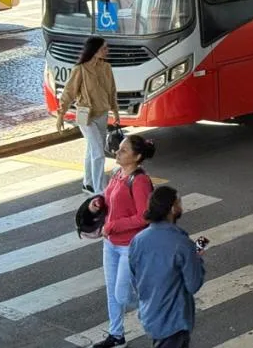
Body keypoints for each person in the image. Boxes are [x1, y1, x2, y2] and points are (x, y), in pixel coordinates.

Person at [88, 134, 156, 348]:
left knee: (123, 294)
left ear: (137, 157)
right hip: (110, 243)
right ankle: (116, 335)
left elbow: (145, 216)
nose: (117, 152)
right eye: (119, 148)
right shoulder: (118, 173)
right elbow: (108, 199)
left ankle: (154, 307)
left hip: (130, 246)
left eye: (124, 150)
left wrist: (113, 225)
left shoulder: (140, 181)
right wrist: (98, 202)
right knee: (112, 292)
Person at [129, 186, 206, 348]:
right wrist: (196, 259)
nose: (181, 207)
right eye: (179, 203)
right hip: (174, 320)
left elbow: (134, 279)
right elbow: (193, 284)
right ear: (172, 209)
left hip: (150, 314)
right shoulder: (182, 244)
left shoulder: (138, 240)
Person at [57, 37, 121, 194]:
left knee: (91, 150)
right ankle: (100, 190)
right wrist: (61, 115)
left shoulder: (106, 67)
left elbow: (112, 90)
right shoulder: (80, 69)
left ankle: (88, 183)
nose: (107, 51)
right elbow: (68, 93)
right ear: (95, 50)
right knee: (98, 153)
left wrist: (116, 111)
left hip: (102, 114)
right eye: (104, 48)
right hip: (85, 116)